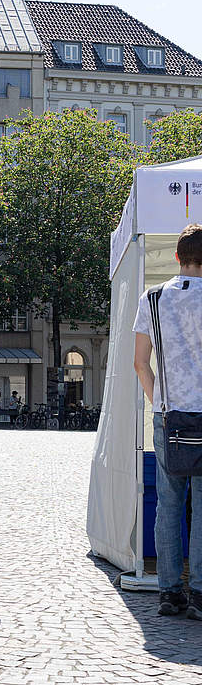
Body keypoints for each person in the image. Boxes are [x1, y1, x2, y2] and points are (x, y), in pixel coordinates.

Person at [134, 224, 202, 618]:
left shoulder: (153, 298)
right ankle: (199, 594)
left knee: (168, 504)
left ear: (177, 257)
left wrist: (160, 402)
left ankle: (169, 592)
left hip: (170, 414)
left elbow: (140, 363)